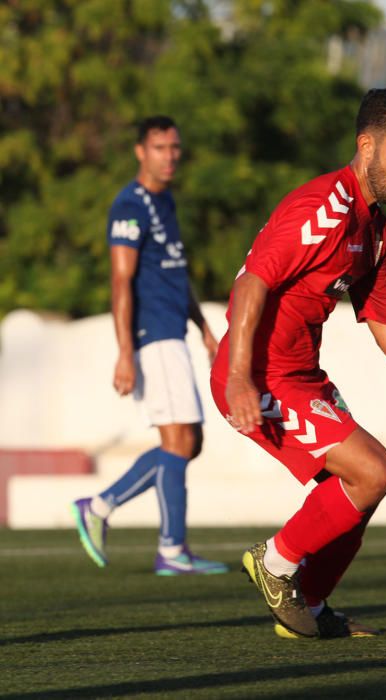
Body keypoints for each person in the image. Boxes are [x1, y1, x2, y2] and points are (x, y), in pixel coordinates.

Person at [210, 87, 386, 639]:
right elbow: (251, 285)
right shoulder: (322, 209)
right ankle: (274, 564)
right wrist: (242, 377)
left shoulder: (375, 232)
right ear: (367, 146)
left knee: (360, 491)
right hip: (259, 374)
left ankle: (308, 608)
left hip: (300, 378)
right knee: (373, 471)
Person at [71, 116, 228, 576]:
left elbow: (175, 272)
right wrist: (125, 352)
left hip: (174, 332)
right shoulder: (129, 204)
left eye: (175, 147)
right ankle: (165, 545)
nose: (170, 155)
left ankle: (104, 508)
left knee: (187, 441)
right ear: (141, 151)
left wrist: (202, 325)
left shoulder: (166, 202)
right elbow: (121, 280)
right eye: (160, 147)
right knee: (179, 440)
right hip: (152, 336)